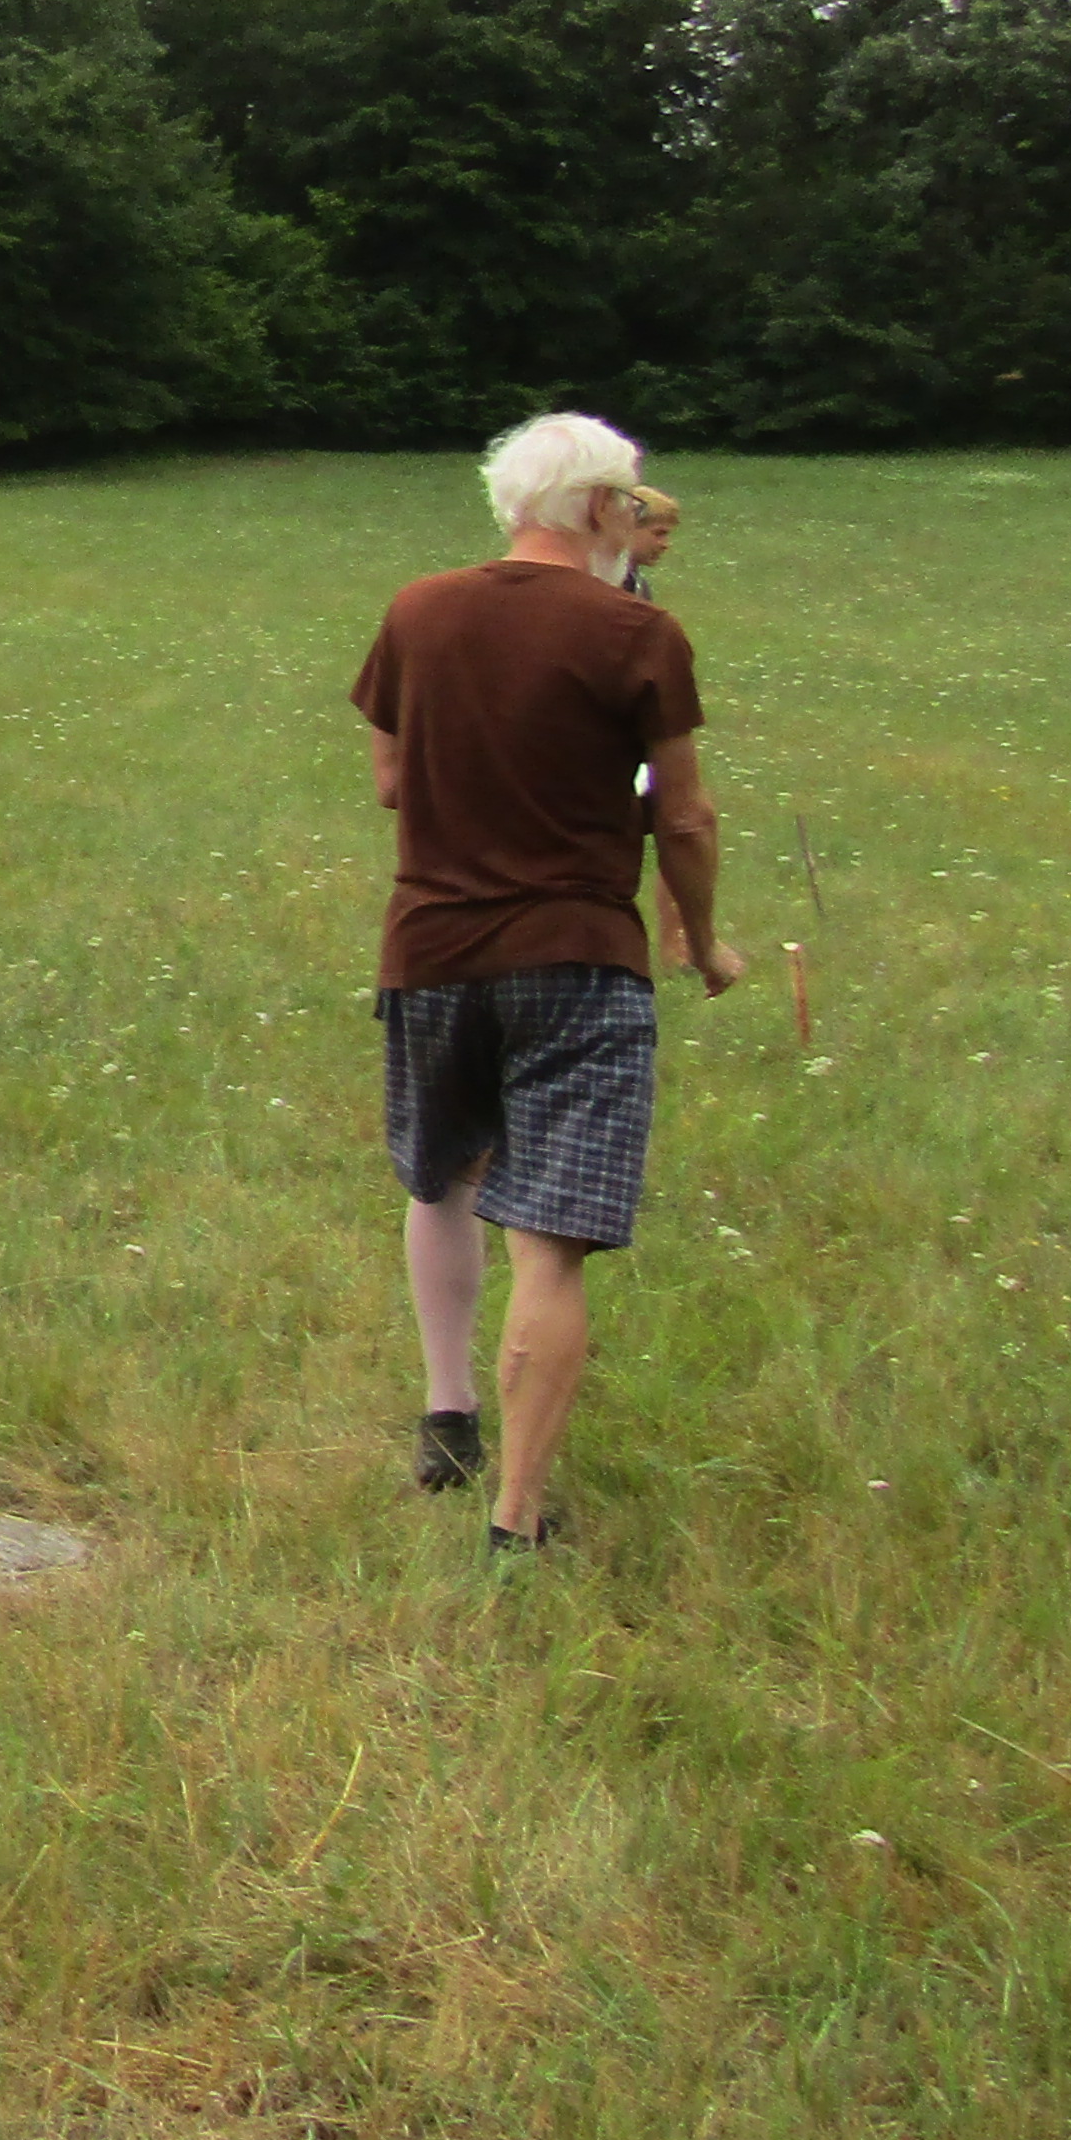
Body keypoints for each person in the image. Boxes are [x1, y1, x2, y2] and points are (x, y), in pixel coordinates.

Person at [352, 414, 743, 1551]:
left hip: (431, 951)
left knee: (443, 1178)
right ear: (602, 506)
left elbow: (389, 782)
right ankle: (515, 1521)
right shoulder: (637, 633)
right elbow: (685, 817)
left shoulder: (418, 611)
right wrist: (703, 941)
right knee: (550, 1241)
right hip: (577, 958)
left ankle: (448, 1413)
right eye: (630, 500)